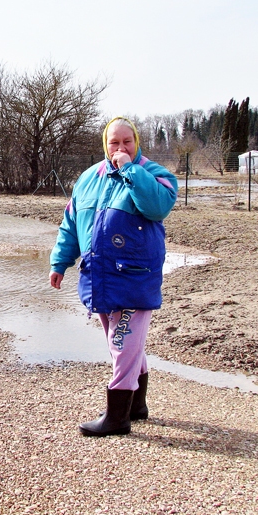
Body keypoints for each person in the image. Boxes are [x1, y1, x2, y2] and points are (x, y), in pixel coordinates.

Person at [49, 116, 178, 437]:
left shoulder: (156, 175)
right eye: (114, 142)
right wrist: (60, 262)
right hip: (100, 275)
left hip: (134, 276)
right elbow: (71, 224)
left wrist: (130, 170)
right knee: (121, 343)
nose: (121, 148)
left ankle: (117, 417)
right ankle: (136, 406)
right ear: (105, 145)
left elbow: (157, 208)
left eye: (127, 141)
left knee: (123, 342)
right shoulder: (88, 178)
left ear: (136, 143)